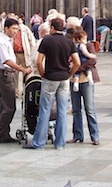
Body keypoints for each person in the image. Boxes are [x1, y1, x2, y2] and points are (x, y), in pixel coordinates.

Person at [23, 17, 80, 149]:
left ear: (52, 28)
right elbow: (77, 62)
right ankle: (60, 143)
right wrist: (70, 73)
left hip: (50, 77)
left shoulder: (46, 40)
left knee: (45, 110)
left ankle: (39, 142)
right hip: (64, 78)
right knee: (62, 110)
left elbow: (38, 61)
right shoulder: (68, 41)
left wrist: (42, 74)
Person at [0, 17, 32, 143]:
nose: (15, 31)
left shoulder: (7, 41)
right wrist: (22, 69)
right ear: (6, 28)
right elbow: (6, 61)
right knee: (9, 107)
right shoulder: (2, 42)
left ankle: (3, 133)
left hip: (9, 74)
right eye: (13, 29)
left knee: (3, 106)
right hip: (6, 74)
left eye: (17, 29)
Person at [67, 28, 100, 146]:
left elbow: (92, 61)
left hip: (86, 80)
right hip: (74, 80)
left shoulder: (89, 45)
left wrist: (77, 67)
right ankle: (77, 135)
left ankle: (95, 136)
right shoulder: (72, 46)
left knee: (89, 108)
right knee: (76, 109)